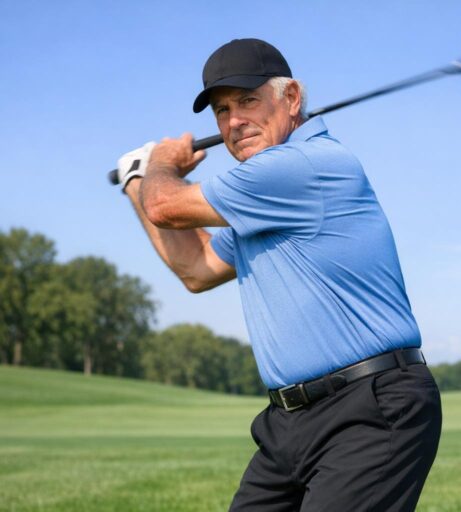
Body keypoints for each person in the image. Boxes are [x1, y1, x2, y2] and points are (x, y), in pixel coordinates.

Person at [116, 38, 442, 511]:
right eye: (222, 110)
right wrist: (136, 181)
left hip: (368, 409)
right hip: (289, 420)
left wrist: (160, 165)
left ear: (291, 98)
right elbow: (196, 268)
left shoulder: (299, 165)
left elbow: (164, 205)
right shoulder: (261, 203)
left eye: (248, 100)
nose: (234, 122)